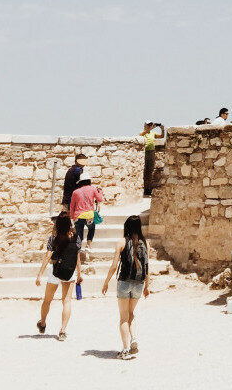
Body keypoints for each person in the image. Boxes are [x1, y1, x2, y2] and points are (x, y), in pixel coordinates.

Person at [102, 214, 151, 359]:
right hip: (139, 283)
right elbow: (148, 266)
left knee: (123, 318)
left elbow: (113, 266)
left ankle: (125, 349)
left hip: (124, 282)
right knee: (132, 313)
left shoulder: (121, 242)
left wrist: (106, 282)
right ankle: (134, 338)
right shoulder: (145, 243)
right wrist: (147, 286)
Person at [35, 212, 83, 339]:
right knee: (66, 301)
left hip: (55, 271)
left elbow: (48, 256)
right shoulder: (76, 237)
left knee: (47, 300)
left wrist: (40, 274)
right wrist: (79, 273)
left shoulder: (53, 238)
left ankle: (43, 323)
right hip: (69, 271)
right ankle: (62, 330)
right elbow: (77, 256)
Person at [69, 169, 104, 258]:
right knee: (91, 229)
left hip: (78, 216)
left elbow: (72, 206)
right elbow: (100, 199)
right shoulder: (93, 189)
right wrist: (100, 191)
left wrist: (72, 218)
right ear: (89, 180)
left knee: (79, 233)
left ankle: (79, 249)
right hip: (89, 216)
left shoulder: (75, 192)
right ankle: (88, 245)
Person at [138, 121, 164, 197]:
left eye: (150, 125)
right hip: (144, 152)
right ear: (145, 125)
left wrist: (162, 130)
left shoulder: (153, 133)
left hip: (151, 152)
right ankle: (144, 188)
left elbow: (161, 136)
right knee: (144, 171)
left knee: (150, 171)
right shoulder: (142, 133)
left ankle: (148, 189)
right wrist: (149, 130)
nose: (150, 126)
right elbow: (141, 135)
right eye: (148, 125)